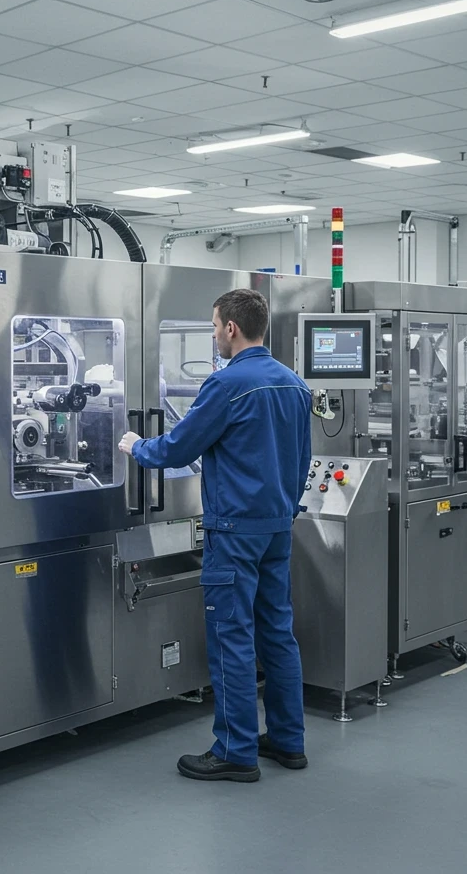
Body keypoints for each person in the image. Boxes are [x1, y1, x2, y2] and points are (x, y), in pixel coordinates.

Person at [119, 289, 312, 783]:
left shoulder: (226, 384)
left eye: (213, 328)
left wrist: (136, 445)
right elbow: (302, 461)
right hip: (276, 527)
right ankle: (289, 741)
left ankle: (235, 750)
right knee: (277, 633)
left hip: (234, 530)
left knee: (232, 635)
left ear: (230, 328)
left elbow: (179, 448)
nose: (213, 336)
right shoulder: (294, 385)